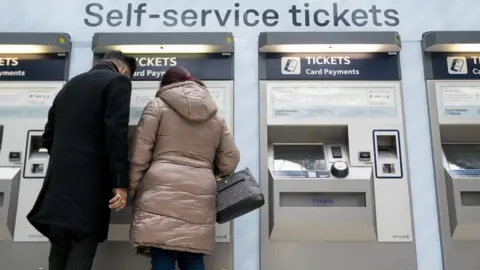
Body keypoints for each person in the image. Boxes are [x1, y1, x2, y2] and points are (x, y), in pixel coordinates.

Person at [26, 51, 137, 270]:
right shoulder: (119, 81)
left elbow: (48, 135)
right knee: (82, 246)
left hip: (57, 184)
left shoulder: (70, 85)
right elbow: (115, 135)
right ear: (124, 70)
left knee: (59, 245)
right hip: (89, 186)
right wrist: (120, 184)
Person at [129, 66, 240, 270]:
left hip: (160, 187)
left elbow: (140, 152)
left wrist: (133, 186)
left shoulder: (157, 106)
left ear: (165, 85)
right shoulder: (216, 118)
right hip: (201, 191)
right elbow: (230, 160)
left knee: (162, 254)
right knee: (193, 257)